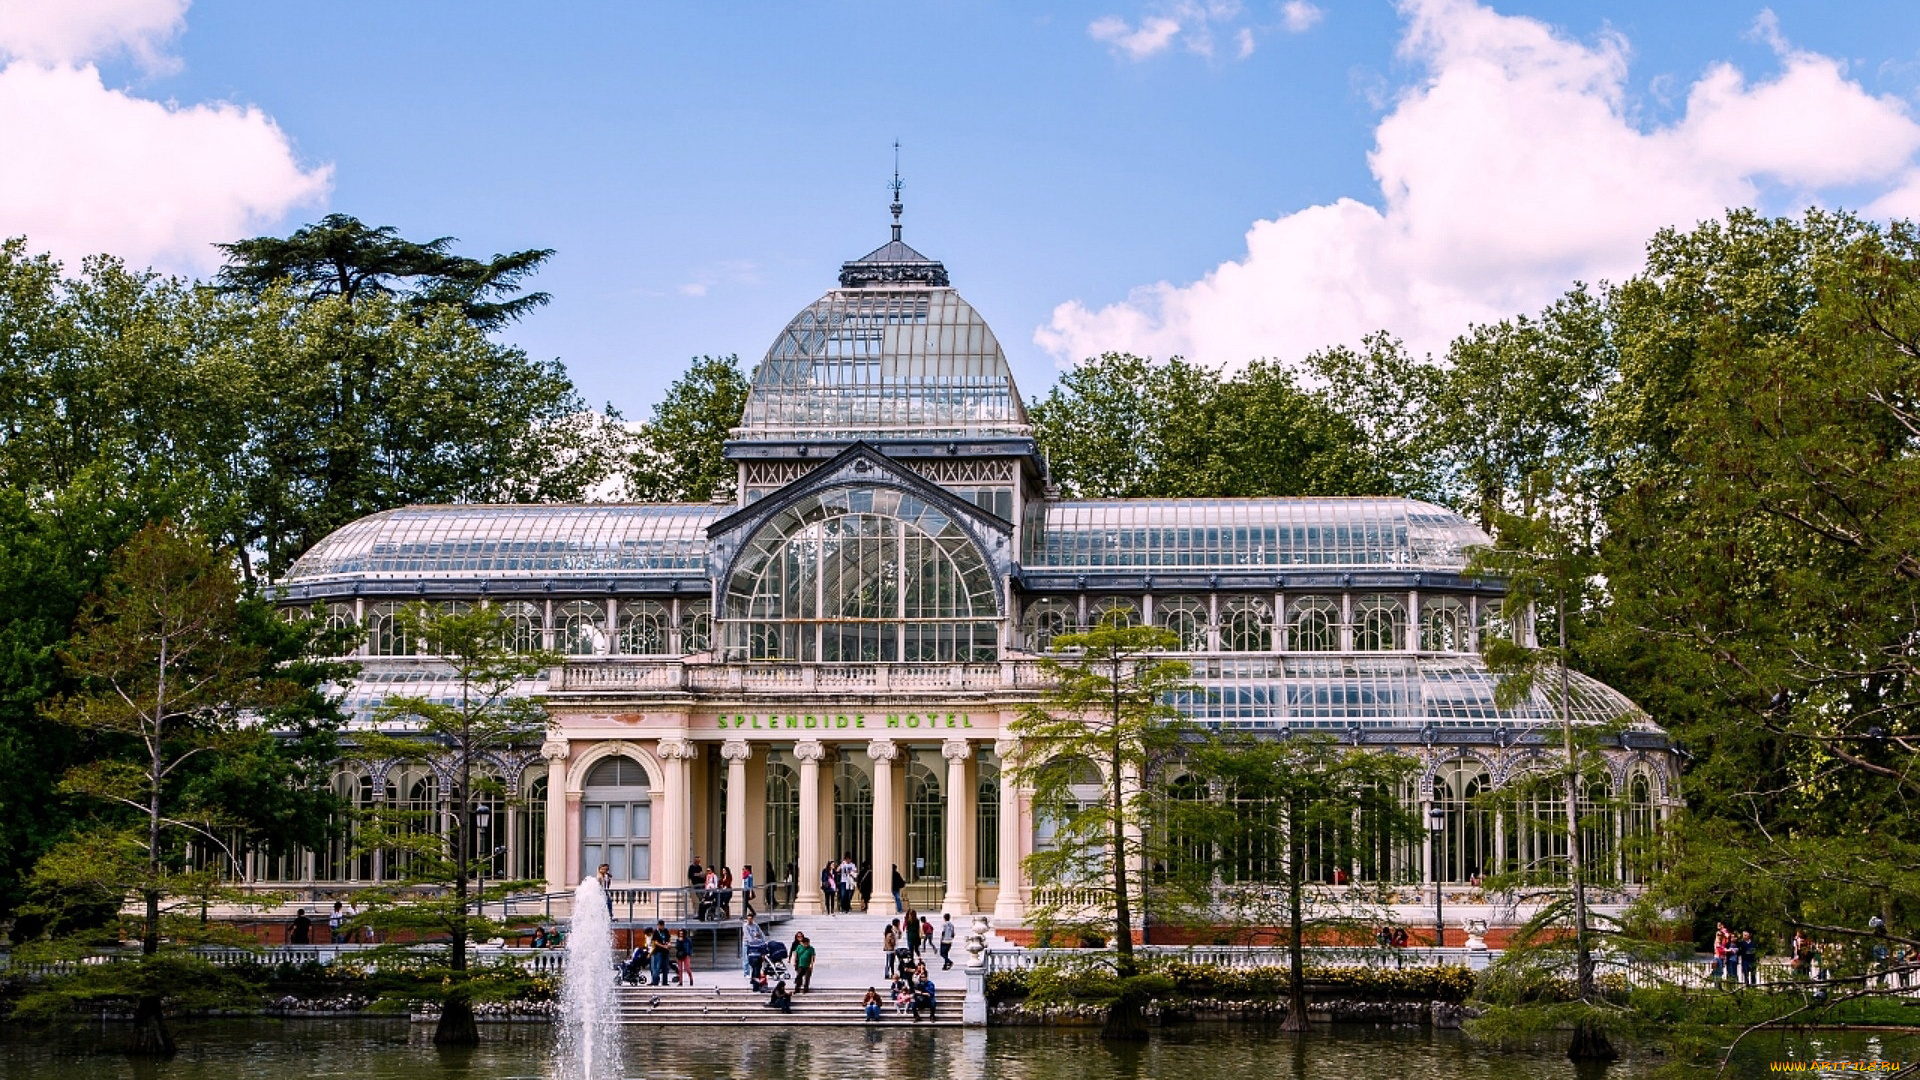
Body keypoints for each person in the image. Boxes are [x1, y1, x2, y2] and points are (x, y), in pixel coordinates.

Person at [743, 913, 766, 978]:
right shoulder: (745, 926)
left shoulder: (755, 925)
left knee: (756, 958)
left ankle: (755, 972)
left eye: (750, 919)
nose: (749, 920)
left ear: (753, 919)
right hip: (747, 943)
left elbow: (761, 933)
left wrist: (763, 940)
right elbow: (747, 935)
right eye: (748, 919)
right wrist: (752, 941)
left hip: (755, 944)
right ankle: (746, 973)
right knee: (746, 958)